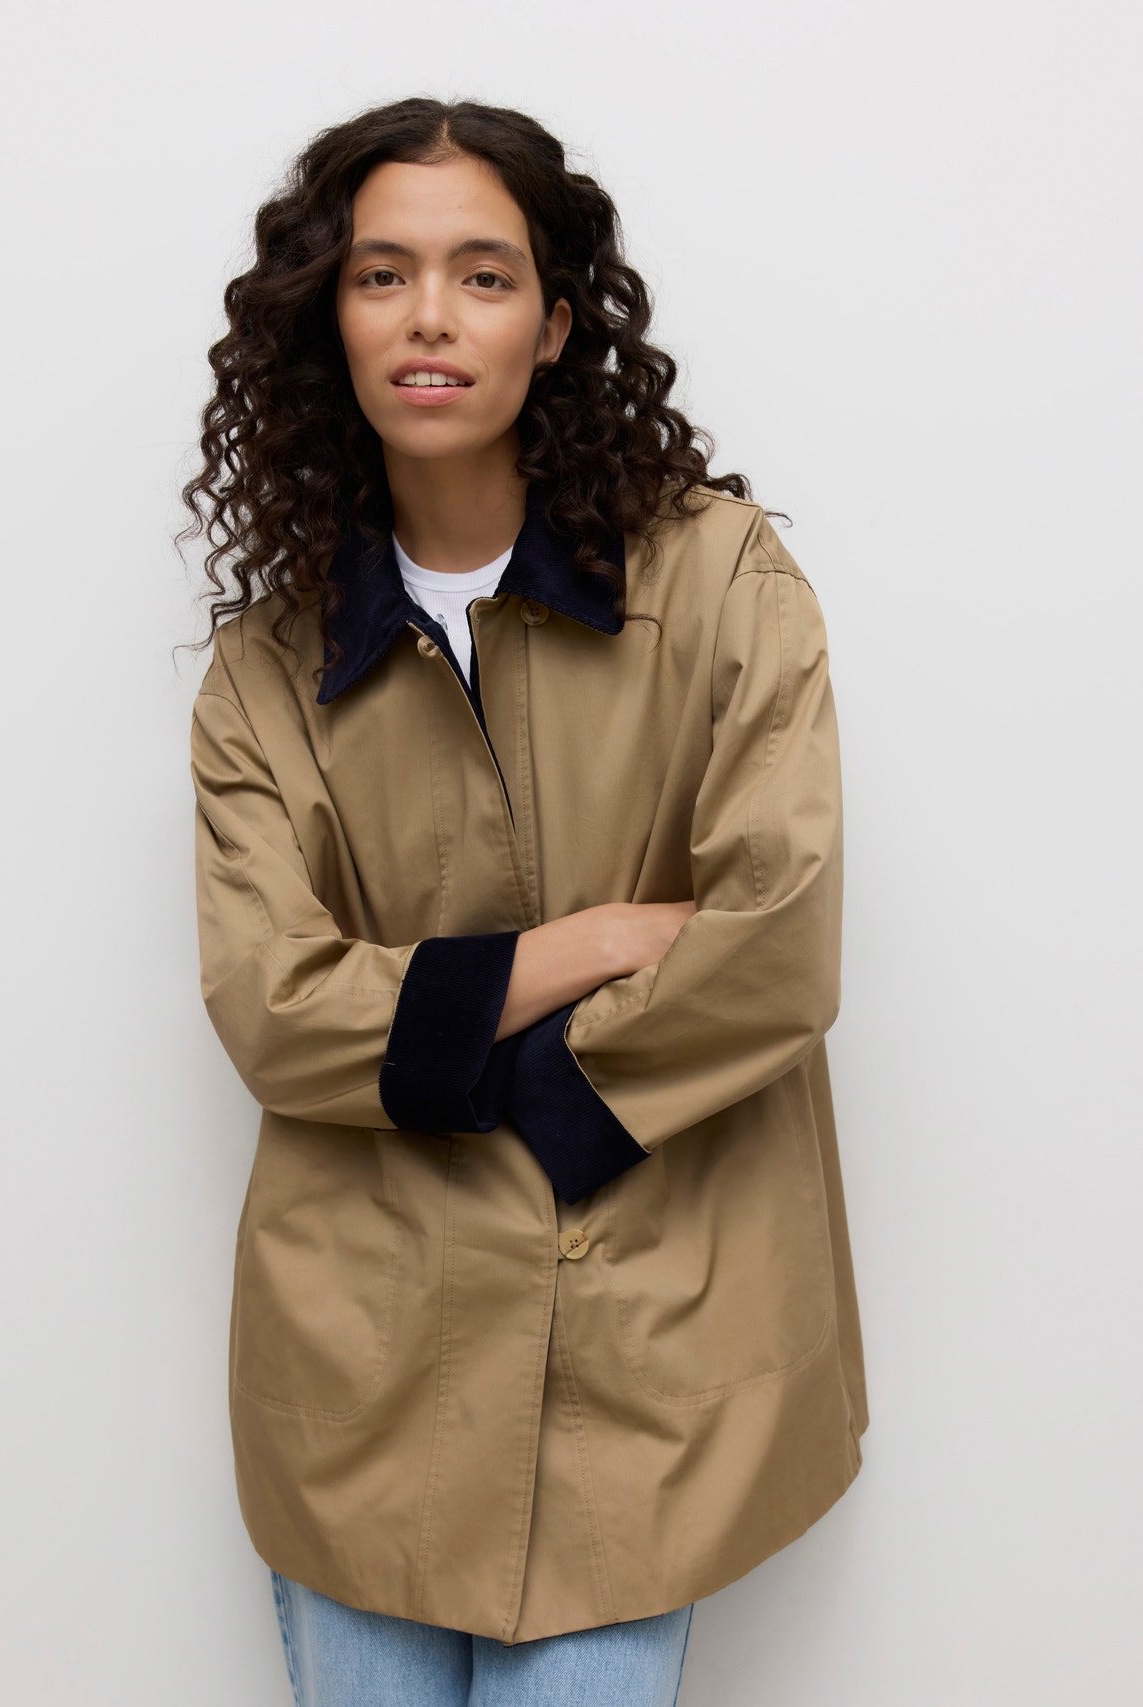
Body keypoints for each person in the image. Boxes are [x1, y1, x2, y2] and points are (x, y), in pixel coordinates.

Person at [181, 95, 868, 1706]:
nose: (430, 315)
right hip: (359, 1364)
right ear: (330, 320)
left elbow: (776, 938)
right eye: (383, 274)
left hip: (647, 1341)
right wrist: (599, 943)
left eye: (483, 275)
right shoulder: (264, 672)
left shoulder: (721, 580)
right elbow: (273, 1012)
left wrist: (496, 1070)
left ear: (557, 326)